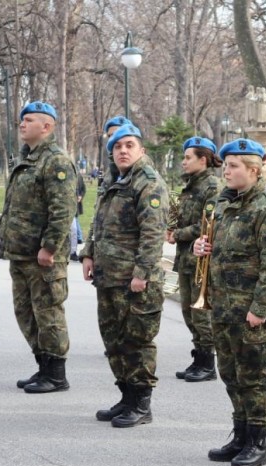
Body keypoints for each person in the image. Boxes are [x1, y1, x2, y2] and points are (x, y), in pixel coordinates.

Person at [194, 138, 266, 466]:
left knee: (253, 377)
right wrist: (201, 248)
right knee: (230, 373)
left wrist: (259, 309)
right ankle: (240, 433)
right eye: (226, 165)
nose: (226, 171)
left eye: (233, 166)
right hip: (222, 307)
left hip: (249, 311)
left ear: (253, 170)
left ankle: (257, 441)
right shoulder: (222, 205)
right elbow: (215, 248)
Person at [81, 123, 169, 428]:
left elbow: (152, 233)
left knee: (137, 342)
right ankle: (126, 397)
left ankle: (142, 404)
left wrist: (142, 273)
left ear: (141, 150)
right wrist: (88, 253)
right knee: (114, 341)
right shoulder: (113, 180)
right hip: (108, 276)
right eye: (118, 147)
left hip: (134, 281)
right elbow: (97, 221)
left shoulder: (148, 183)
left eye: (129, 145)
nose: (123, 150)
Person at [0, 101, 77, 393]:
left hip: (43, 256)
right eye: (22, 119)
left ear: (46, 127)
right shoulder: (27, 158)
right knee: (26, 312)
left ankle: (56, 374)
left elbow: (62, 209)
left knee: (48, 313)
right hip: (20, 253)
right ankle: (43, 365)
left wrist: (50, 247)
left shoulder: (55, 161)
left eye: (29, 120)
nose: (22, 124)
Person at [167, 136, 222, 382]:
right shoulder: (190, 185)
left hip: (202, 260)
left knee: (201, 314)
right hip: (187, 258)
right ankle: (198, 358)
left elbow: (207, 225)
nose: (183, 162)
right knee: (189, 313)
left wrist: (177, 233)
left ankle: (208, 364)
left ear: (203, 159)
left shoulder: (212, 186)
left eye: (188, 158)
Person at [70, 171, 86, 261]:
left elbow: (83, 188)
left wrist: (80, 196)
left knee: (74, 230)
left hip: (74, 207)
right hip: (66, 206)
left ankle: (73, 252)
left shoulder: (78, 175)